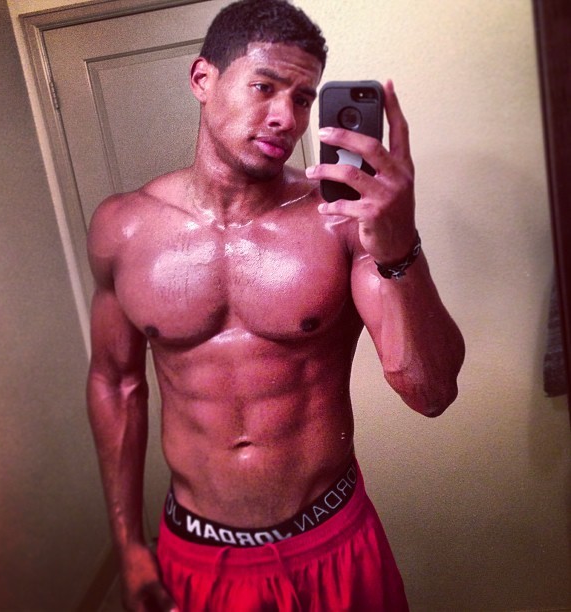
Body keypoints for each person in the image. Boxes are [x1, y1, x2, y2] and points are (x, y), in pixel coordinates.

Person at [86, 0, 465, 610]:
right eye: (264, 87)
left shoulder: (340, 222)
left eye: (304, 98)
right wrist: (128, 542)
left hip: (332, 541)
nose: (287, 118)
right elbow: (116, 383)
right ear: (202, 80)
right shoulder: (123, 228)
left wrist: (400, 248)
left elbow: (432, 392)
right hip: (197, 550)